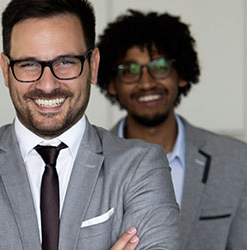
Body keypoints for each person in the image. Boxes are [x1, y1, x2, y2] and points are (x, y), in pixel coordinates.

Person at [0, 0, 180, 249]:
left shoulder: (141, 166)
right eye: (29, 65)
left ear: (93, 65)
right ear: (5, 69)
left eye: (66, 62)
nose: (47, 85)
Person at [96, 10, 247, 249]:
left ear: (182, 75)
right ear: (111, 84)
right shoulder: (86, 162)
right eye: (129, 70)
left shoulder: (237, 161)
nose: (146, 83)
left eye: (160, 66)